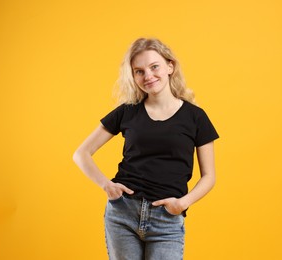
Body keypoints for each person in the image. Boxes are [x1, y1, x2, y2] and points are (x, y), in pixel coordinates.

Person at [73, 37, 219, 260]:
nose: (148, 76)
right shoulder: (127, 111)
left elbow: (209, 176)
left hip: (167, 220)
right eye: (139, 71)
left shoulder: (196, 117)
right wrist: (106, 185)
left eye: (154, 67)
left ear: (170, 66)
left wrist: (183, 203)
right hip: (123, 214)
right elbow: (81, 153)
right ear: (133, 76)